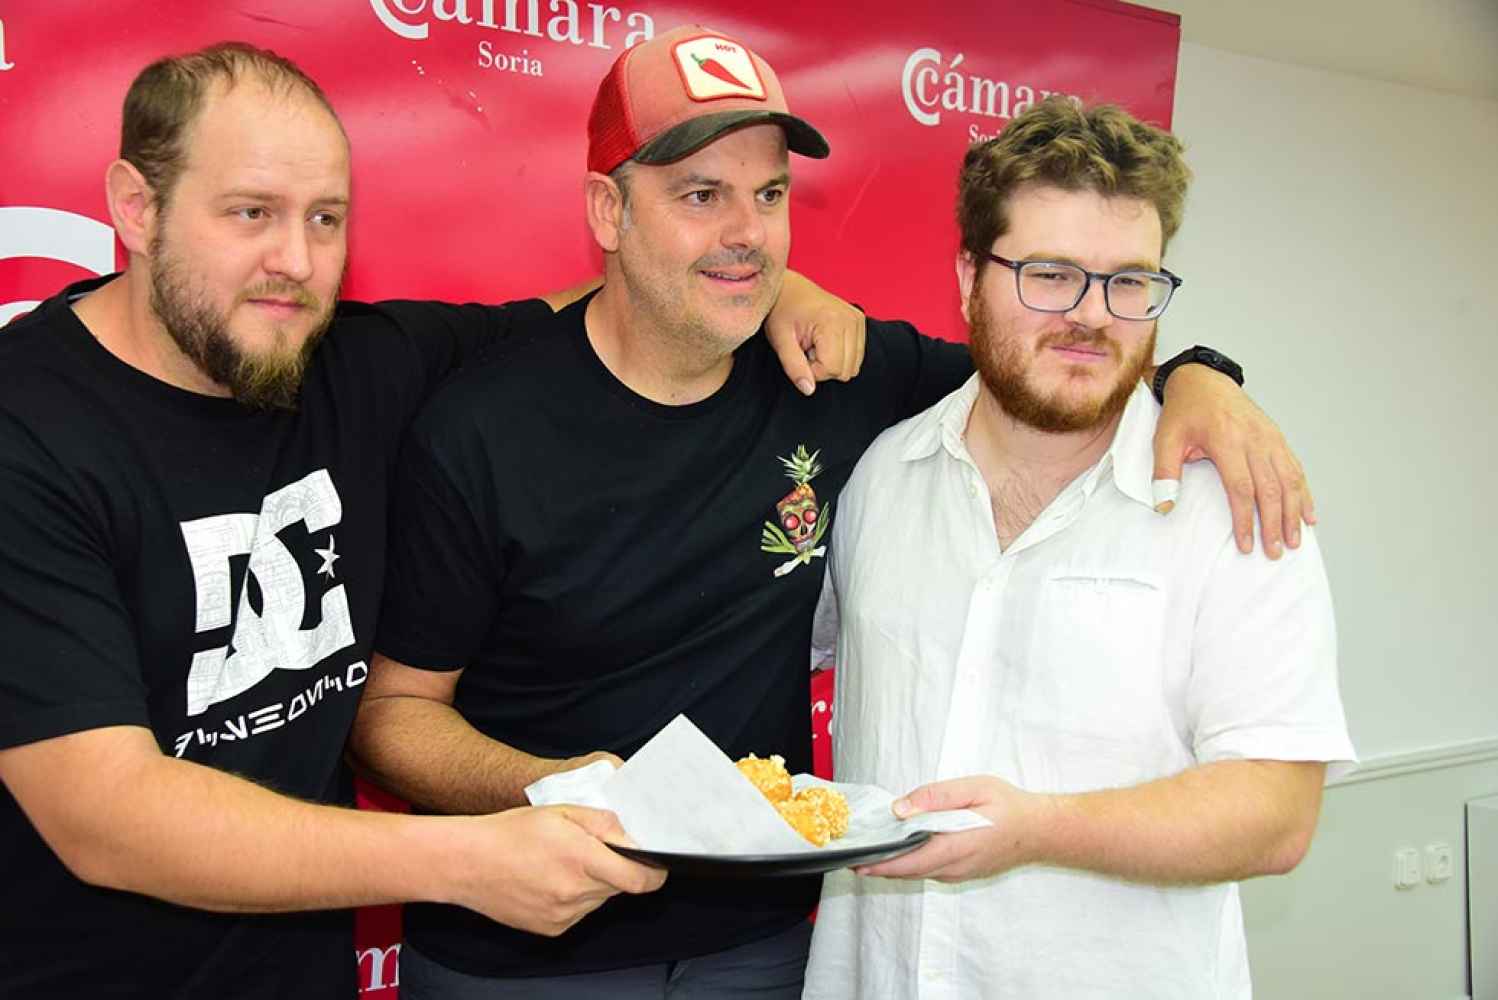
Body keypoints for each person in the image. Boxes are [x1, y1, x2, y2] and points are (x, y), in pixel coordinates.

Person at [348, 25, 1313, 999]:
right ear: (608, 209)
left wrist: (1199, 377)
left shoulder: (840, 384)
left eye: (768, 195)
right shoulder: (480, 426)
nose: (747, 230)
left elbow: (1044, 355)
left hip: (759, 944)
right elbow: (392, 717)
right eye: (699, 195)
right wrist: (573, 785)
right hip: (523, 949)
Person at [0, 41, 872, 998]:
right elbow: (105, 816)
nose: (294, 262)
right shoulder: (28, 430)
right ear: (135, 205)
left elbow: (614, 305)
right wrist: (467, 860)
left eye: (325, 219)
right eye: (250, 213)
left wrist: (765, 275)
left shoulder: (348, 362)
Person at [802, 97, 1356, 1000]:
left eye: (1130, 281)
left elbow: (1277, 815)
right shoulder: (880, 480)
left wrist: (1038, 829)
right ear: (967, 277)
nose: (1092, 317)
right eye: (1050, 274)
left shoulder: (1237, 507)